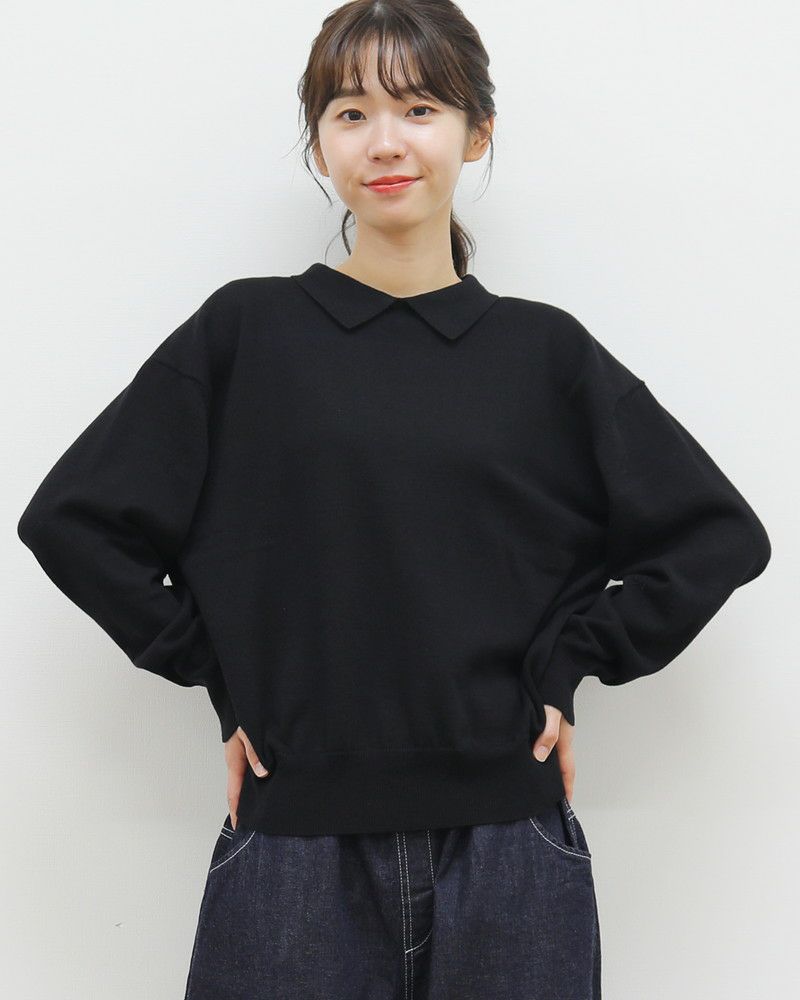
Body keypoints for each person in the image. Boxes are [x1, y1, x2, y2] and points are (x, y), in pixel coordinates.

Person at [16, 2, 772, 998]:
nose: (383, 142)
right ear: (318, 144)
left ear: (476, 131)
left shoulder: (542, 354)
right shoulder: (246, 334)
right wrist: (223, 678)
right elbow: (73, 521)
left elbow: (716, 535)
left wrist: (569, 662)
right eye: (348, 112)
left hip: (510, 850)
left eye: (418, 108)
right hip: (292, 850)